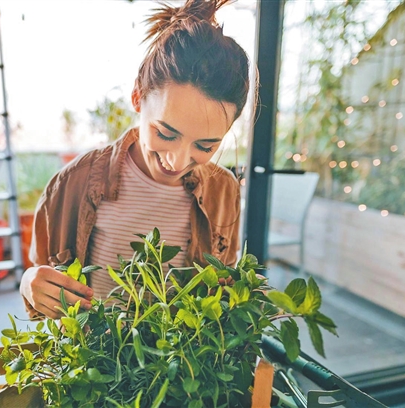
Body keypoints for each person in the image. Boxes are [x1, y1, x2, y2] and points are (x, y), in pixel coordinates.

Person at [20, 0, 252, 319]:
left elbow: (223, 287)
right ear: (138, 97)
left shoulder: (224, 191)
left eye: (206, 145)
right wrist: (30, 283)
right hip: (93, 349)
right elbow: (40, 274)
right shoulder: (73, 182)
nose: (177, 161)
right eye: (165, 133)